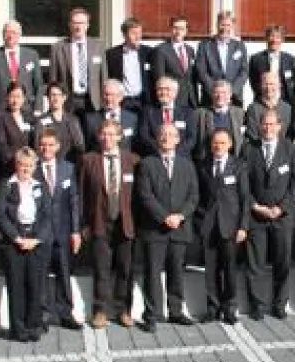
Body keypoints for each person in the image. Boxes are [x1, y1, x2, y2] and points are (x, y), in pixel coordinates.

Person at [135, 124, 199, 330]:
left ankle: (176, 311)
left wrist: (180, 216)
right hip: (154, 229)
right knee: (152, 273)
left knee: (176, 272)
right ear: (157, 138)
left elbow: (193, 196)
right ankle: (151, 314)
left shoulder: (187, 165)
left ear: (178, 139)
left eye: (171, 135)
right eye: (162, 134)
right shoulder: (146, 164)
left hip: (179, 228)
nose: (166, 138)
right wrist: (164, 217)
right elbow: (145, 196)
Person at [79, 120, 139, 328]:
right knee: (101, 269)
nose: (108, 138)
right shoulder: (88, 160)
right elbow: (82, 195)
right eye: (104, 134)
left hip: (126, 224)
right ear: (98, 137)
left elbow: (138, 196)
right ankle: (100, 311)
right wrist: (84, 224)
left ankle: (124, 310)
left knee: (125, 268)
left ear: (120, 137)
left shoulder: (132, 160)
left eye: (112, 134)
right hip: (99, 222)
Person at [244, 109, 295, 320]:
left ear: (280, 126)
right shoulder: (249, 149)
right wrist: (255, 206)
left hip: (282, 216)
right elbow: (244, 184)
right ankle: (257, 305)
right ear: (260, 127)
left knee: (282, 262)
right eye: (264, 125)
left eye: (272, 124)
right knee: (255, 263)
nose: (268, 128)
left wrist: (281, 207)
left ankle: (280, 304)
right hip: (257, 215)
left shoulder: (290, 149)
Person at [0, 147, 53, 342]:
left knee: (35, 286)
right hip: (14, 242)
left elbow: (47, 215)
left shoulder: (41, 186)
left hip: (35, 242)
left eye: (29, 165)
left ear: (35, 166)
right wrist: (17, 238)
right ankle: (18, 329)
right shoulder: (6, 185)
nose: (25, 169)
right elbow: (0, 215)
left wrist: (36, 239)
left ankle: (33, 326)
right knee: (16, 287)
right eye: (22, 165)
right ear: (16, 165)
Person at [197, 129, 249, 324]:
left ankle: (229, 307)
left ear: (230, 145)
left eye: (222, 143)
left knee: (229, 268)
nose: (218, 146)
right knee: (211, 269)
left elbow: (245, 198)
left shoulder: (239, 166)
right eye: (215, 143)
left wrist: (243, 226)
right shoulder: (203, 166)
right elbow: (200, 196)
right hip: (209, 226)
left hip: (231, 226)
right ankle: (212, 307)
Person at [34, 129, 82, 331]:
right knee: (41, 274)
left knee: (64, 272)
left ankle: (65, 313)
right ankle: (42, 314)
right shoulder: (32, 168)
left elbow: (73, 201)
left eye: (50, 144)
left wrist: (76, 231)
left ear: (58, 146)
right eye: (43, 145)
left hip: (63, 231)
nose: (46, 148)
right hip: (40, 233)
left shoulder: (68, 168)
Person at [49, 7, 107, 113]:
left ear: (87, 25)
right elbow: (53, 79)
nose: (78, 26)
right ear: (70, 25)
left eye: (82, 23)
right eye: (75, 23)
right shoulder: (58, 48)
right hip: (68, 102)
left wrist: (104, 102)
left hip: (93, 102)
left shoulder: (98, 47)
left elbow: (103, 77)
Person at [0, 19, 43, 117]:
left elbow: (39, 84)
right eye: (7, 32)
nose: (11, 36)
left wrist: (38, 108)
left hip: (27, 109)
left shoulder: (32, 55)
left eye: (14, 32)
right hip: (0, 111)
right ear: (2, 34)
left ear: (20, 34)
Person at [196, 10, 249, 107]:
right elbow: (201, 71)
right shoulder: (204, 46)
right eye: (222, 24)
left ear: (233, 26)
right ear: (217, 25)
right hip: (210, 98)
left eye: (228, 25)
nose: (225, 28)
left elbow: (244, 71)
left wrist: (230, 92)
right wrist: (216, 91)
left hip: (234, 98)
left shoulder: (240, 46)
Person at [136, 76, 196, 158]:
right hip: (155, 157)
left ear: (175, 92)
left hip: (181, 158)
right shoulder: (148, 111)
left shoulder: (187, 113)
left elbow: (191, 138)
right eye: (160, 89)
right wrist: (162, 151)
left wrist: (173, 153)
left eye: (167, 89)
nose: (163, 92)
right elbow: (144, 136)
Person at [105, 16, 154, 113]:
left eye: (139, 33)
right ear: (124, 34)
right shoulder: (112, 54)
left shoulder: (149, 53)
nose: (138, 36)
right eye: (133, 33)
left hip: (144, 101)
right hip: (123, 101)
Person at [151, 14, 199, 109]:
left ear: (186, 31)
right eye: (175, 28)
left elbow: (191, 76)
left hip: (190, 100)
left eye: (181, 29)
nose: (178, 32)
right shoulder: (161, 50)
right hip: (172, 99)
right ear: (170, 29)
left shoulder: (190, 50)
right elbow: (159, 78)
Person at [33, 82, 86, 165]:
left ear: (64, 97)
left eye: (58, 95)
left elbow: (80, 144)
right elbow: (37, 146)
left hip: (70, 165)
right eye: (52, 95)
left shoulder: (72, 120)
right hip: (48, 165)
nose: (55, 98)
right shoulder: (41, 121)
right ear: (48, 98)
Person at [194, 80, 245, 160]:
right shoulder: (200, 114)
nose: (220, 96)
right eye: (216, 92)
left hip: (233, 161)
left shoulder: (240, 113)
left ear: (230, 95)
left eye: (224, 93)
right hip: (206, 161)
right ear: (212, 95)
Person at [0, 82, 34, 181]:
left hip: (29, 170)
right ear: (7, 97)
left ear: (24, 99)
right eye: (12, 96)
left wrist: (30, 164)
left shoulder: (29, 117)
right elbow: (1, 145)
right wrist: (18, 164)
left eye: (18, 97)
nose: (15, 100)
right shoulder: (1, 117)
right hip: (10, 170)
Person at [86, 80, 139, 154]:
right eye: (106, 94)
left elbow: (136, 144)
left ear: (121, 97)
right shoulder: (91, 119)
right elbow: (89, 146)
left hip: (125, 161)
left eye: (113, 95)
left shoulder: (132, 118)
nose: (109, 98)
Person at [244, 71, 293, 148]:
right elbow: (252, 134)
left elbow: (288, 135)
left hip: (282, 151)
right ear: (260, 86)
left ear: (279, 85)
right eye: (265, 84)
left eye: (272, 84)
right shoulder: (253, 108)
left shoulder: (287, 108)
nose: (268, 87)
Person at [249, 24, 295, 101]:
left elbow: (292, 82)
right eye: (271, 36)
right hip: (262, 100)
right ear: (266, 38)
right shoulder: (256, 59)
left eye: (278, 37)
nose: (274, 40)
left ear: (282, 40)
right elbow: (253, 82)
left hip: (285, 101)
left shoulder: (290, 60)